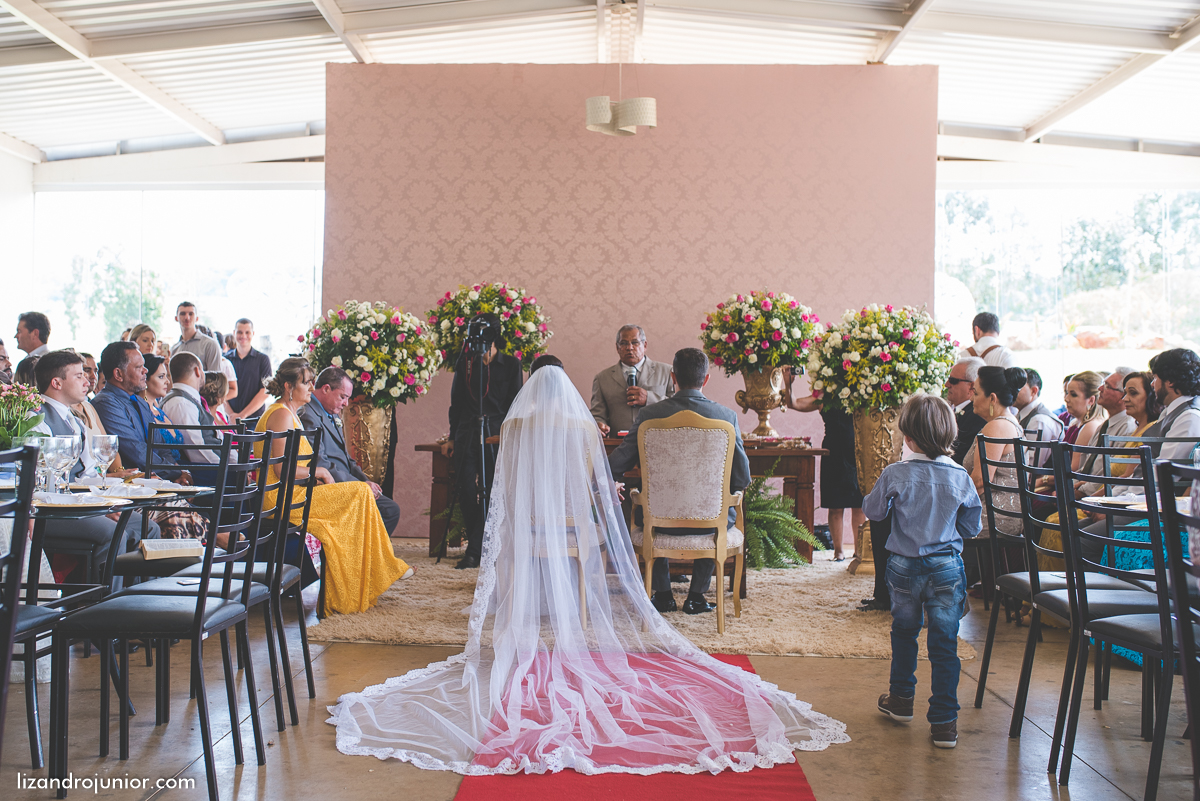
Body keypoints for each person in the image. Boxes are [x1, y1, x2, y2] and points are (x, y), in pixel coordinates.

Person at [327, 362, 848, 773]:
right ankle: (661, 595)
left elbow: (504, 492)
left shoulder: (516, 424)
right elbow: (601, 481)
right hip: (586, 529)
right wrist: (611, 491)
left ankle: (537, 601)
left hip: (528, 529)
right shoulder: (585, 425)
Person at [867, 394, 980, 750]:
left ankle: (901, 700)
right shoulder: (960, 476)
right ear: (950, 434)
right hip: (946, 567)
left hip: (903, 566)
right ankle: (944, 723)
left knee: (904, 632)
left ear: (908, 438)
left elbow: (874, 511)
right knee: (945, 644)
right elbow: (972, 526)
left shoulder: (895, 472)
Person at [256, 357, 411, 615]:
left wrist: (320, 475)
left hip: (297, 491)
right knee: (360, 494)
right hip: (282, 498)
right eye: (306, 382)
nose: (311, 387)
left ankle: (368, 575)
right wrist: (320, 472)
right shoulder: (281, 414)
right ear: (288, 386)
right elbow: (281, 470)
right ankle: (378, 570)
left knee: (360, 495)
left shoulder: (290, 413)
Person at [608, 347, 749, 615]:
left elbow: (616, 464)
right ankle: (696, 596)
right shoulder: (726, 417)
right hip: (711, 524)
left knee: (649, 508)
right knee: (719, 510)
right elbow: (742, 478)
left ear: (673, 377)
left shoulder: (649, 416)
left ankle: (663, 595)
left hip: (659, 523)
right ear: (706, 379)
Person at [31, 349, 160, 573]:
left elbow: (89, 474)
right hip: (52, 509)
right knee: (114, 533)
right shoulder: (37, 418)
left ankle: (138, 592)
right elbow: (43, 482)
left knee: (149, 528)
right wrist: (94, 506)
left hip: (80, 502)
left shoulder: (74, 419)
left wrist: (104, 501)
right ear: (56, 383)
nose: (87, 381)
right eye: (78, 376)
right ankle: (105, 594)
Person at [443, 314, 523, 570]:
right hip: (467, 431)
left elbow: (515, 404)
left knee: (491, 490)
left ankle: (476, 550)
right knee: (466, 489)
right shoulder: (466, 363)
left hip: (496, 434)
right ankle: (479, 546)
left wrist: (509, 436)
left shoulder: (511, 365)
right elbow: (456, 403)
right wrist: (451, 437)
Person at [298, 366, 401, 535]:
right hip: (330, 486)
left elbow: (346, 459)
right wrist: (359, 486)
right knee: (389, 511)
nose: (346, 403)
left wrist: (365, 481)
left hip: (347, 481)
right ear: (326, 389)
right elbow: (320, 463)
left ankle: (362, 547)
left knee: (389, 507)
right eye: (343, 397)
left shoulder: (332, 412)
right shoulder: (308, 414)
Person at [781, 367, 861, 562]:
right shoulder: (823, 396)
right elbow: (793, 404)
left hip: (857, 451)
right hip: (832, 451)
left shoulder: (859, 394)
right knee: (835, 505)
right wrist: (788, 384)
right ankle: (839, 552)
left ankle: (859, 552)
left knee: (859, 505)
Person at [91, 341, 190, 481]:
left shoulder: (139, 402)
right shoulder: (106, 403)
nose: (145, 371)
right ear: (118, 374)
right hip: (132, 485)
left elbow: (161, 447)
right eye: (139, 367)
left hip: (158, 479)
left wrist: (176, 473)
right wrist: (175, 473)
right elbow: (136, 451)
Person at [589, 324, 674, 436]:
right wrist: (599, 424)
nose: (629, 348)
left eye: (635, 342)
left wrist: (649, 398)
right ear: (617, 348)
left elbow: (677, 406)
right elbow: (597, 414)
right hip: (619, 443)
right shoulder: (602, 378)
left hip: (657, 441)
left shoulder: (667, 372)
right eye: (624, 343)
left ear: (645, 345)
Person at [160, 351, 221, 465]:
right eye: (202, 370)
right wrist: (229, 468)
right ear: (197, 371)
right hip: (205, 471)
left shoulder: (188, 399)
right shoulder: (181, 403)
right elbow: (197, 450)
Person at [1146, 348, 1200, 461]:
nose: (1152, 384)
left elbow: (1166, 467)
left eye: (1155, 378)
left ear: (1170, 381)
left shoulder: (1189, 417)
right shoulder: (1170, 411)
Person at [224, 317, 271, 422]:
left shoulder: (263, 359)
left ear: (253, 333)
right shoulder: (225, 360)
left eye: (247, 332)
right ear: (234, 333)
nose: (243, 336)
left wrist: (242, 415)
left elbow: (265, 391)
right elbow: (220, 391)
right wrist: (231, 415)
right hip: (229, 419)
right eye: (240, 332)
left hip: (254, 420)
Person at [1014, 368, 1064, 466]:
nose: (1012, 391)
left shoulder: (1039, 420)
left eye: (1018, 387)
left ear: (1034, 391)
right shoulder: (1020, 414)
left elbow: (1032, 464)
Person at [945, 357, 986, 465]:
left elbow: (959, 457)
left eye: (953, 381)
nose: (947, 384)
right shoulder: (957, 410)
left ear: (972, 386)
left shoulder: (976, 416)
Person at [170, 301, 223, 371]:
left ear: (197, 318)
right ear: (176, 318)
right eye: (182, 314)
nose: (187, 318)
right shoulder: (174, 349)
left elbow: (215, 376)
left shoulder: (210, 345)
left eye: (191, 314)